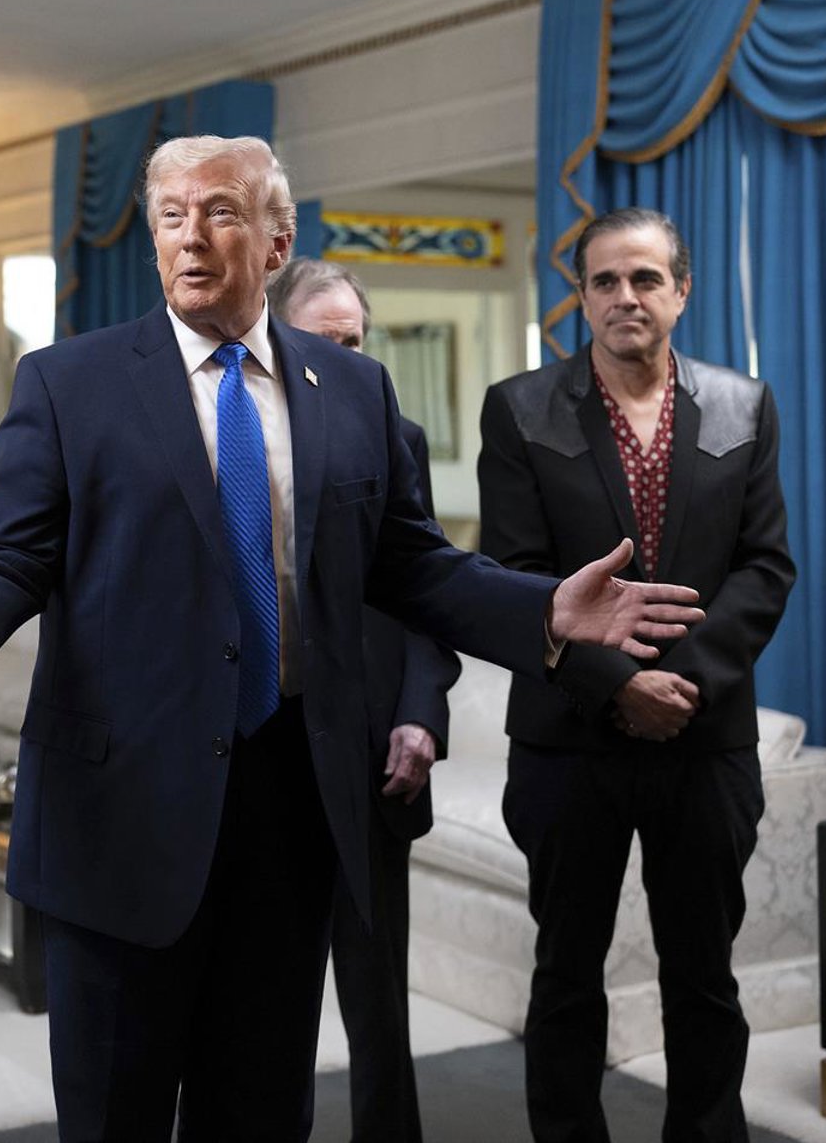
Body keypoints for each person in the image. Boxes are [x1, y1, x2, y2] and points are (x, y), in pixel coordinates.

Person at [0, 137, 705, 1140]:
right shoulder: (68, 383)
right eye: (171, 216)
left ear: (278, 239)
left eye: (220, 212)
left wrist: (544, 609)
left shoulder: (355, 390)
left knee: (260, 1116)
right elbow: (12, 558)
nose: (191, 238)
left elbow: (414, 566)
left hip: (291, 816)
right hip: (120, 823)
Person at [477, 207, 795, 1142]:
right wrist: (617, 684)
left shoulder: (745, 405)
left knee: (704, 978)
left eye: (646, 278)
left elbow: (765, 568)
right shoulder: (519, 408)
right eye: (605, 280)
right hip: (567, 738)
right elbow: (516, 575)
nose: (626, 296)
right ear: (580, 296)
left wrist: (677, 685)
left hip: (705, 735)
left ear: (681, 292)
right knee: (566, 977)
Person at [269, 256, 457, 1143]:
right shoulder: (229, 439)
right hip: (268, 755)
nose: (347, 361)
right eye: (326, 342)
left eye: (357, 343)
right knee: (263, 1005)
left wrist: (422, 713)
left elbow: (429, 590)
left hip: (378, 753)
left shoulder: (396, 435)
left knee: (379, 1002)